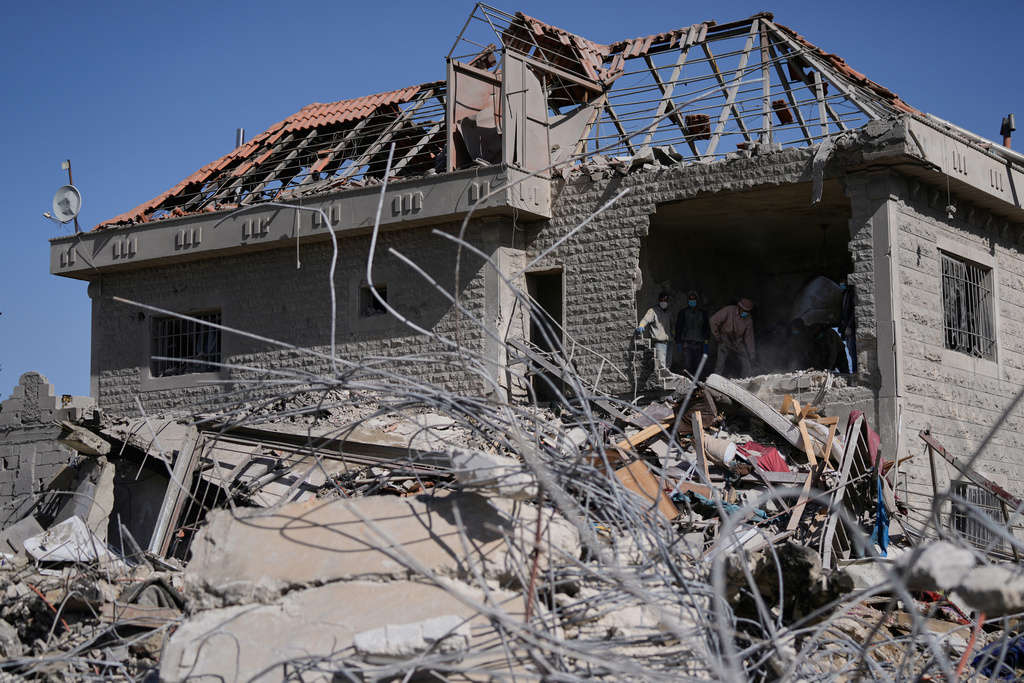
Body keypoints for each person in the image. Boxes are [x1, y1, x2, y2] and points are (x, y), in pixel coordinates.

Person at [710, 298, 756, 377]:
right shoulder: (728, 310)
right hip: (724, 340)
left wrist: (752, 355)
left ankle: (745, 383)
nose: (745, 313)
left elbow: (749, 338)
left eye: (747, 311)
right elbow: (712, 320)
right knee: (720, 365)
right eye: (744, 310)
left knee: (747, 364)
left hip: (738, 342)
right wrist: (717, 337)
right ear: (739, 307)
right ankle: (714, 382)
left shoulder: (748, 319)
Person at [675, 290, 710, 378]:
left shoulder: (702, 313)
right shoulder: (683, 313)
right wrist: (678, 342)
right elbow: (678, 327)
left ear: (697, 300)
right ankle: (688, 382)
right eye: (690, 299)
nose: (692, 301)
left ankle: (698, 383)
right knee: (688, 364)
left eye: (694, 299)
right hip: (686, 342)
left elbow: (706, 328)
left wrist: (706, 342)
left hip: (699, 342)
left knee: (698, 364)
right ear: (688, 300)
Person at [636, 291, 673, 369]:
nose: (663, 302)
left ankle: (667, 381)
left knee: (668, 366)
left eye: (665, 301)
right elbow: (646, 319)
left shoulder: (668, 312)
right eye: (661, 300)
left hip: (669, 343)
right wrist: (641, 326)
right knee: (661, 366)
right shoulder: (653, 311)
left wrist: (673, 333)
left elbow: (672, 325)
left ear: (668, 301)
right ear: (659, 300)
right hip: (659, 343)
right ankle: (662, 381)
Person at [838, 275, 856, 372]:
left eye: (842, 281)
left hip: (851, 328)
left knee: (853, 350)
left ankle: (855, 371)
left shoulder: (852, 293)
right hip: (846, 328)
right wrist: (842, 330)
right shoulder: (845, 294)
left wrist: (849, 326)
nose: (841, 284)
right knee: (850, 350)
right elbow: (842, 314)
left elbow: (854, 311)